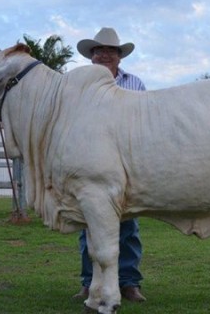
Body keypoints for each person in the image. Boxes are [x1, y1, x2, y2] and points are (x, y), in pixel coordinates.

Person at [73, 27, 147, 302]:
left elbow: (145, 123)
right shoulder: (77, 86)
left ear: (119, 57)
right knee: (89, 227)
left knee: (128, 227)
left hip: (129, 163)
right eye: (99, 51)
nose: (104, 55)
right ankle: (89, 281)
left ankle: (129, 283)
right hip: (92, 164)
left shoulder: (135, 84)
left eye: (110, 51)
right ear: (91, 57)